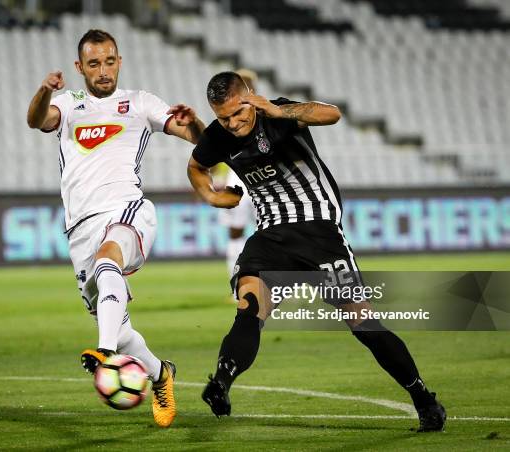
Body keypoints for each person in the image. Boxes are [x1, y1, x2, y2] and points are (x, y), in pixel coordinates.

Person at [187, 71, 446, 432]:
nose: (232, 123)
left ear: (250, 97)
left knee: (364, 324)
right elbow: (196, 165)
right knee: (249, 309)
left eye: (238, 112)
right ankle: (221, 383)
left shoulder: (280, 114)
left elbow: (331, 114)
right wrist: (212, 196)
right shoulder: (219, 137)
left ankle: (424, 399)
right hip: (270, 237)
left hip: (319, 231)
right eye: (223, 117)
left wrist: (279, 112)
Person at [27, 29, 205, 428]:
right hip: (80, 229)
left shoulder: (140, 104)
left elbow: (201, 142)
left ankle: (105, 353)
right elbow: (37, 119)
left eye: (110, 61)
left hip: (128, 209)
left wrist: (196, 126)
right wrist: (43, 89)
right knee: (121, 326)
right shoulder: (68, 103)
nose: (103, 70)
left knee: (110, 260)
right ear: (80, 68)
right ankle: (161, 374)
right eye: (94, 64)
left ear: (119, 60)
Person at [218, 69, 257, 278]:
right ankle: (239, 283)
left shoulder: (226, 118)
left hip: (250, 181)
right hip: (243, 181)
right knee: (238, 233)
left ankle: (241, 284)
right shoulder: (229, 117)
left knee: (239, 234)